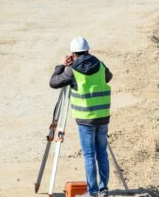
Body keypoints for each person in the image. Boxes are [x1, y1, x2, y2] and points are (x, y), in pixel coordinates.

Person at [50, 37, 113, 197]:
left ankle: (92, 192)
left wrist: (63, 66)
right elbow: (108, 76)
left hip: (85, 118)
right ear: (88, 50)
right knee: (102, 153)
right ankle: (103, 189)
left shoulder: (72, 70)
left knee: (89, 155)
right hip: (102, 116)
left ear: (73, 53)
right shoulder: (99, 64)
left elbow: (54, 83)